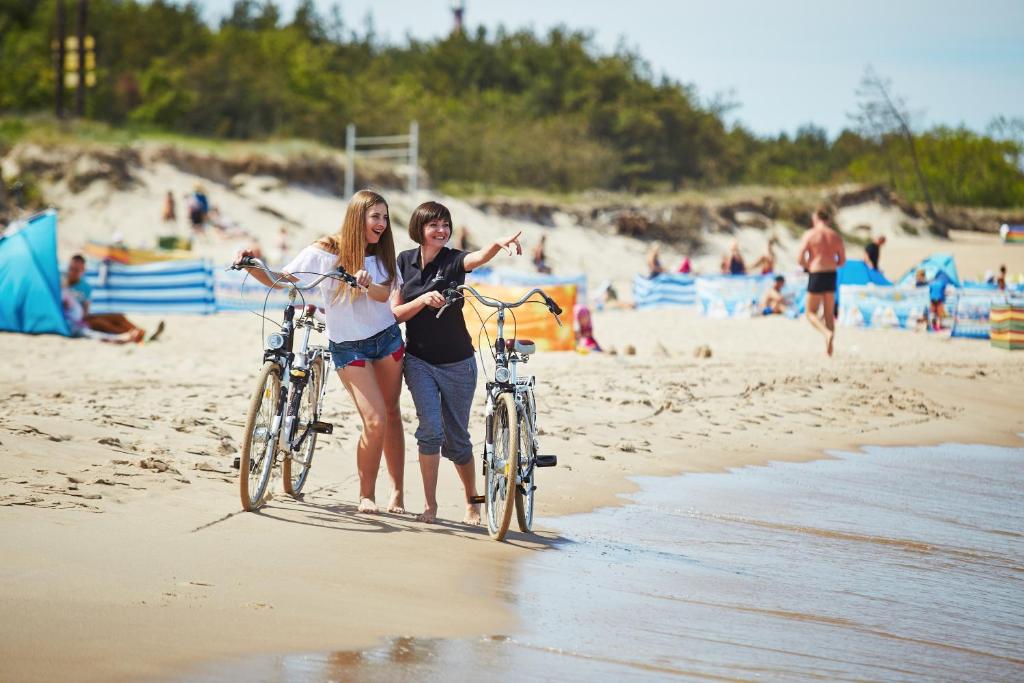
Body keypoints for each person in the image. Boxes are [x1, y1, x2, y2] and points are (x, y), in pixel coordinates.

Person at [235, 189, 405, 515]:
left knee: (392, 414)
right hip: (348, 346)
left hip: (386, 340)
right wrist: (249, 265)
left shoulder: (383, 253)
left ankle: (396, 491)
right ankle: (366, 495)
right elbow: (283, 280)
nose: (382, 223)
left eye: (385, 217)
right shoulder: (326, 251)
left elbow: (384, 296)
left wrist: (367, 284)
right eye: (375, 216)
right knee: (375, 419)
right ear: (358, 218)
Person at [392, 201, 523, 525]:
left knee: (458, 440)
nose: (441, 231)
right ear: (419, 228)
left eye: (445, 225)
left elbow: (476, 258)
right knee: (430, 432)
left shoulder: (454, 260)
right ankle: (430, 507)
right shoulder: (404, 261)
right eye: (434, 225)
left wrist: (496, 244)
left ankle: (473, 502)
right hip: (419, 360)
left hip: (458, 363)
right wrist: (421, 300)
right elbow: (395, 314)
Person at [64, 254, 163, 344]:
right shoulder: (61, 284)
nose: (73, 272)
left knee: (117, 316)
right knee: (100, 322)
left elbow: (86, 310)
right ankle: (133, 336)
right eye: (71, 268)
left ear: (83, 271)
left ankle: (143, 333)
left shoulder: (85, 287)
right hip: (77, 321)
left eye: (77, 270)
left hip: (83, 316)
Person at [797, 207, 846, 356]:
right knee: (829, 313)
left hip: (816, 272)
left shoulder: (810, 234)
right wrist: (831, 264)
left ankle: (826, 333)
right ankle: (829, 351)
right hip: (831, 273)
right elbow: (842, 260)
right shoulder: (835, 235)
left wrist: (809, 266)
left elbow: (800, 258)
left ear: (816, 218)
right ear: (828, 220)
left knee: (810, 312)